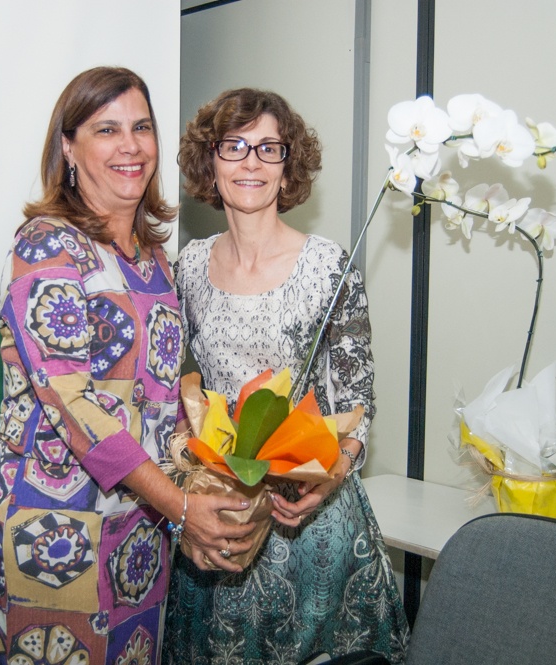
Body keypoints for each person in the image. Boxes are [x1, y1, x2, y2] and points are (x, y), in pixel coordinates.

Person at [0, 67, 256, 665]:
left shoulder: (154, 257)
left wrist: (200, 487)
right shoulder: (46, 247)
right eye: (106, 129)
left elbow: (161, 399)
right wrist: (180, 506)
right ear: (68, 148)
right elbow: (75, 408)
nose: (130, 145)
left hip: (141, 528)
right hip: (53, 530)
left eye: (141, 127)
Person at [163, 88, 410, 664]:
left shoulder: (331, 266)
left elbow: (357, 403)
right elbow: (183, 392)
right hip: (224, 516)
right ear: (211, 162)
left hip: (314, 521)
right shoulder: (188, 267)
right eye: (235, 146)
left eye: (269, 148)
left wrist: (331, 475)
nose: (251, 162)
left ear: (288, 164)